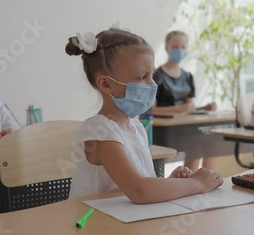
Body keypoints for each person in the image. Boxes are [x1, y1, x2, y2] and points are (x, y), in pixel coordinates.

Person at [66, 28, 223, 204]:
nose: (152, 84)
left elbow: (143, 184)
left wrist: (170, 183)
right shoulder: (100, 132)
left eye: (152, 75)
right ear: (106, 84)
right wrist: (197, 183)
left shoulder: (136, 127)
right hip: (95, 224)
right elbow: (139, 191)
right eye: (142, 77)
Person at [152, 30, 218, 172]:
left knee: (211, 143)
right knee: (196, 143)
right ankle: (190, 179)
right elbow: (151, 110)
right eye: (175, 47)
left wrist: (204, 108)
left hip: (185, 127)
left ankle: (203, 179)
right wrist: (179, 109)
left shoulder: (188, 76)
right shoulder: (156, 75)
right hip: (164, 131)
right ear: (166, 48)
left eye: (183, 47)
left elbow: (189, 107)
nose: (179, 50)